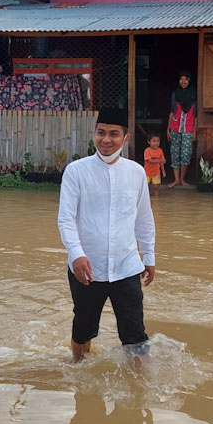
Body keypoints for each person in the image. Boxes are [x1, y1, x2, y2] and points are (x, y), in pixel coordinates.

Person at [57, 107, 156, 362]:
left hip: (127, 267)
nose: (106, 139)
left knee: (135, 334)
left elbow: (143, 218)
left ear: (125, 138)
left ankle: (139, 389)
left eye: (114, 134)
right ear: (94, 135)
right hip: (88, 269)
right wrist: (77, 255)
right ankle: (79, 372)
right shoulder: (76, 172)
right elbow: (66, 219)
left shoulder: (136, 173)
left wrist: (150, 256)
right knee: (83, 329)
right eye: (101, 133)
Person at [165, 71, 196, 189]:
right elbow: (172, 111)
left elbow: (196, 115)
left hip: (188, 129)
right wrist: (168, 129)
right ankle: (176, 180)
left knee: (186, 153)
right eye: (181, 79)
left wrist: (195, 130)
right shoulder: (175, 94)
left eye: (186, 79)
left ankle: (182, 179)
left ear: (189, 80)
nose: (183, 82)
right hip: (175, 128)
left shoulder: (193, 95)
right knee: (174, 153)